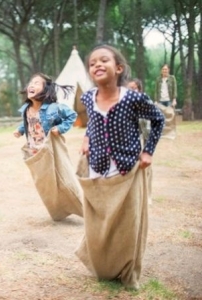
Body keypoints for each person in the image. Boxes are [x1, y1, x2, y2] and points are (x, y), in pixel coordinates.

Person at [76, 45, 164, 290]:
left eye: (104, 60)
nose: (97, 65)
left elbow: (158, 120)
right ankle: (103, 263)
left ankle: (126, 269)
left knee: (125, 221)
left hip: (125, 167)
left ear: (119, 68)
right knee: (101, 217)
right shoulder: (87, 97)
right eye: (92, 63)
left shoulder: (133, 98)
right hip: (97, 167)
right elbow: (92, 123)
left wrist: (148, 151)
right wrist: (86, 139)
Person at [13, 73, 83, 221]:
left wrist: (60, 128)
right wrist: (20, 130)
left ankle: (84, 208)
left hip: (51, 149)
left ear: (46, 90)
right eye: (31, 82)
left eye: (37, 83)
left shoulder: (53, 108)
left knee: (64, 179)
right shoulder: (26, 109)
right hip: (35, 152)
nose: (31, 85)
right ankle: (57, 211)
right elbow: (29, 122)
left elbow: (72, 115)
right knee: (46, 184)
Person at [128, 78, 153, 205]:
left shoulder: (145, 102)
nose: (131, 91)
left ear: (139, 90)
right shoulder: (125, 104)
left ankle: (148, 194)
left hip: (146, 134)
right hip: (133, 137)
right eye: (129, 89)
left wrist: (148, 150)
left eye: (134, 88)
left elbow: (149, 129)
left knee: (147, 166)